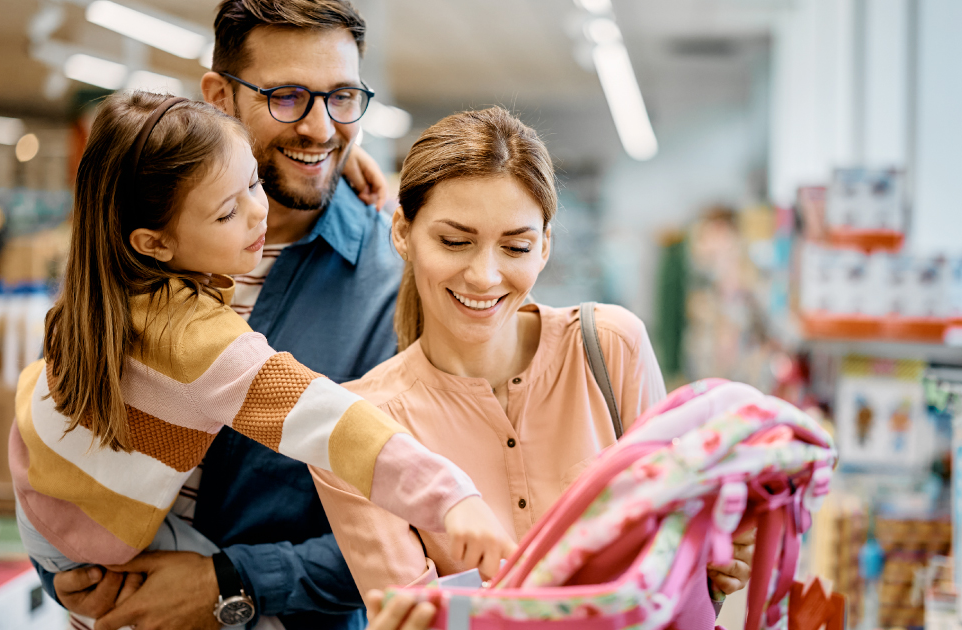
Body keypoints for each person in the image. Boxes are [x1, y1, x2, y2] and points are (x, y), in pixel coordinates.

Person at [10, 92, 515, 627]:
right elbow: (332, 422)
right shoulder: (194, 340)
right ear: (154, 243)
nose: (259, 212)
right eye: (228, 211)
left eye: (254, 182)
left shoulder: (101, 289)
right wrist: (451, 498)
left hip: (44, 500)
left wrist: (342, 160)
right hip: (90, 546)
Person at [38, 2, 411, 629]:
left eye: (342, 97)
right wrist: (59, 567)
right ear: (218, 96)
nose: (320, 129)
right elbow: (64, 415)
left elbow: (414, 533)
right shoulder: (144, 237)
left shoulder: (393, 285)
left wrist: (232, 582)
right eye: (288, 96)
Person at [312, 107, 754, 603]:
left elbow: (675, 561)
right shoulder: (360, 428)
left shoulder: (611, 348)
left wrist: (709, 562)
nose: (484, 276)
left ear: (544, 246)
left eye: (516, 247)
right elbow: (415, 621)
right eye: (454, 241)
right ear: (401, 232)